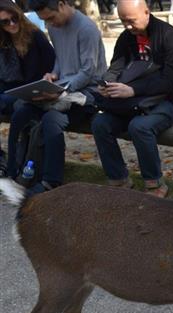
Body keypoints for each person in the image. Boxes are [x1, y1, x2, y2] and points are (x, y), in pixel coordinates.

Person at [91, 0, 173, 198]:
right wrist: (107, 84)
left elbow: (170, 82)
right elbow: (116, 67)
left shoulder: (170, 37)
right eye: (123, 21)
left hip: (170, 101)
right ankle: (118, 179)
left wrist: (132, 90)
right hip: (133, 103)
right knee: (100, 123)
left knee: (140, 127)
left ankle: (154, 184)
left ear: (146, 12)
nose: (128, 26)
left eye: (131, 21)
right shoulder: (126, 38)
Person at [5, 0, 106, 193]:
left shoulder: (86, 29)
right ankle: (13, 170)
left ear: (61, 4)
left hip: (89, 93)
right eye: (45, 21)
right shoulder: (54, 27)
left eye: (51, 18)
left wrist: (61, 90)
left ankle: (51, 180)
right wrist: (53, 75)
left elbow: (88, 72)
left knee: (52, 120)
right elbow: (60, 59)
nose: (50, 24)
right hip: (62, 88)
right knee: (21, 112)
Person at [0, 0, 55, 176]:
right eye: (5, 22)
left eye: (14, 18)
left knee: (19, 111)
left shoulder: (35, 35)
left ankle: (13, 167)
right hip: (10, 90)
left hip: (32, 91)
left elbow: (52, 64)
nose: (12, 24)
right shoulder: (4, 40)